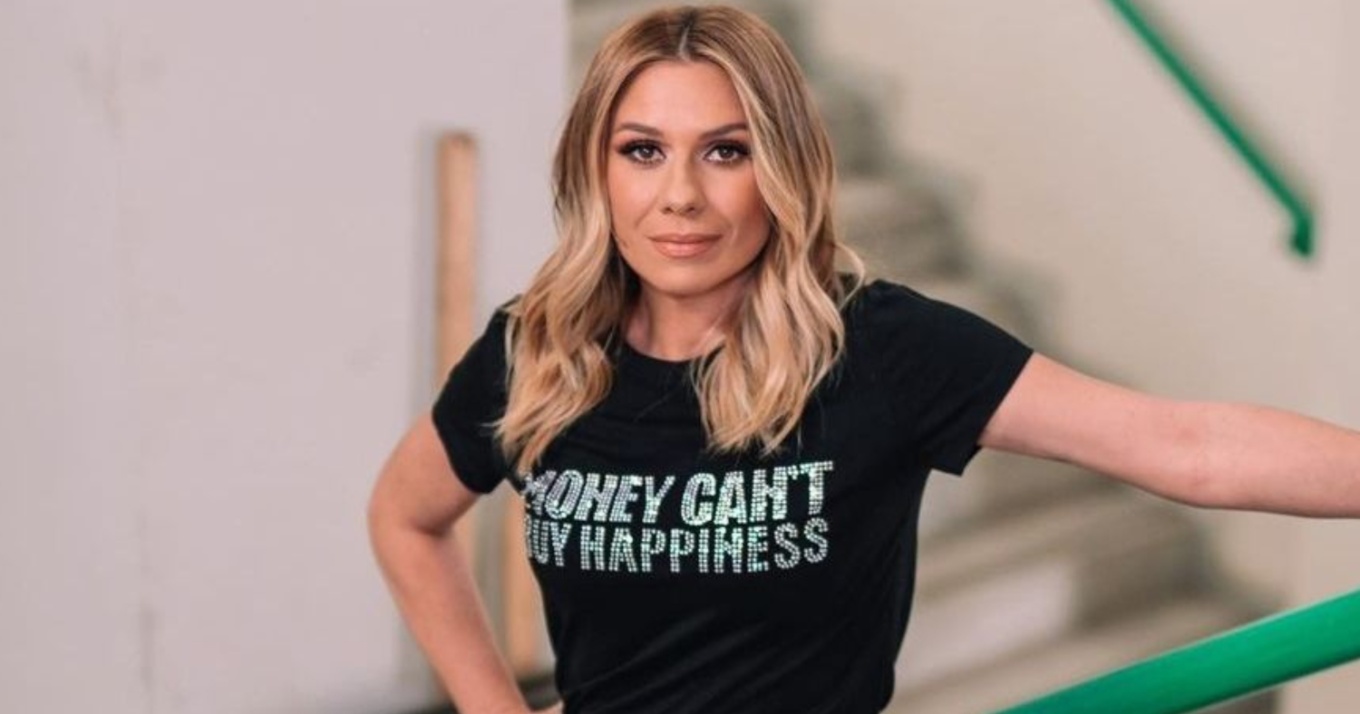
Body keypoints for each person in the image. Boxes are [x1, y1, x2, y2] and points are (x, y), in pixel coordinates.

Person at [367, 6, 1360, 714]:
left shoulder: (879, 349)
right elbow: (405, 518)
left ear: (783, 169)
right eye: (642, 150)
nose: (679, 196)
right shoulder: (536, 350)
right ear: (596, 169)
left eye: (726, 151)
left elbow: (1184, 447)